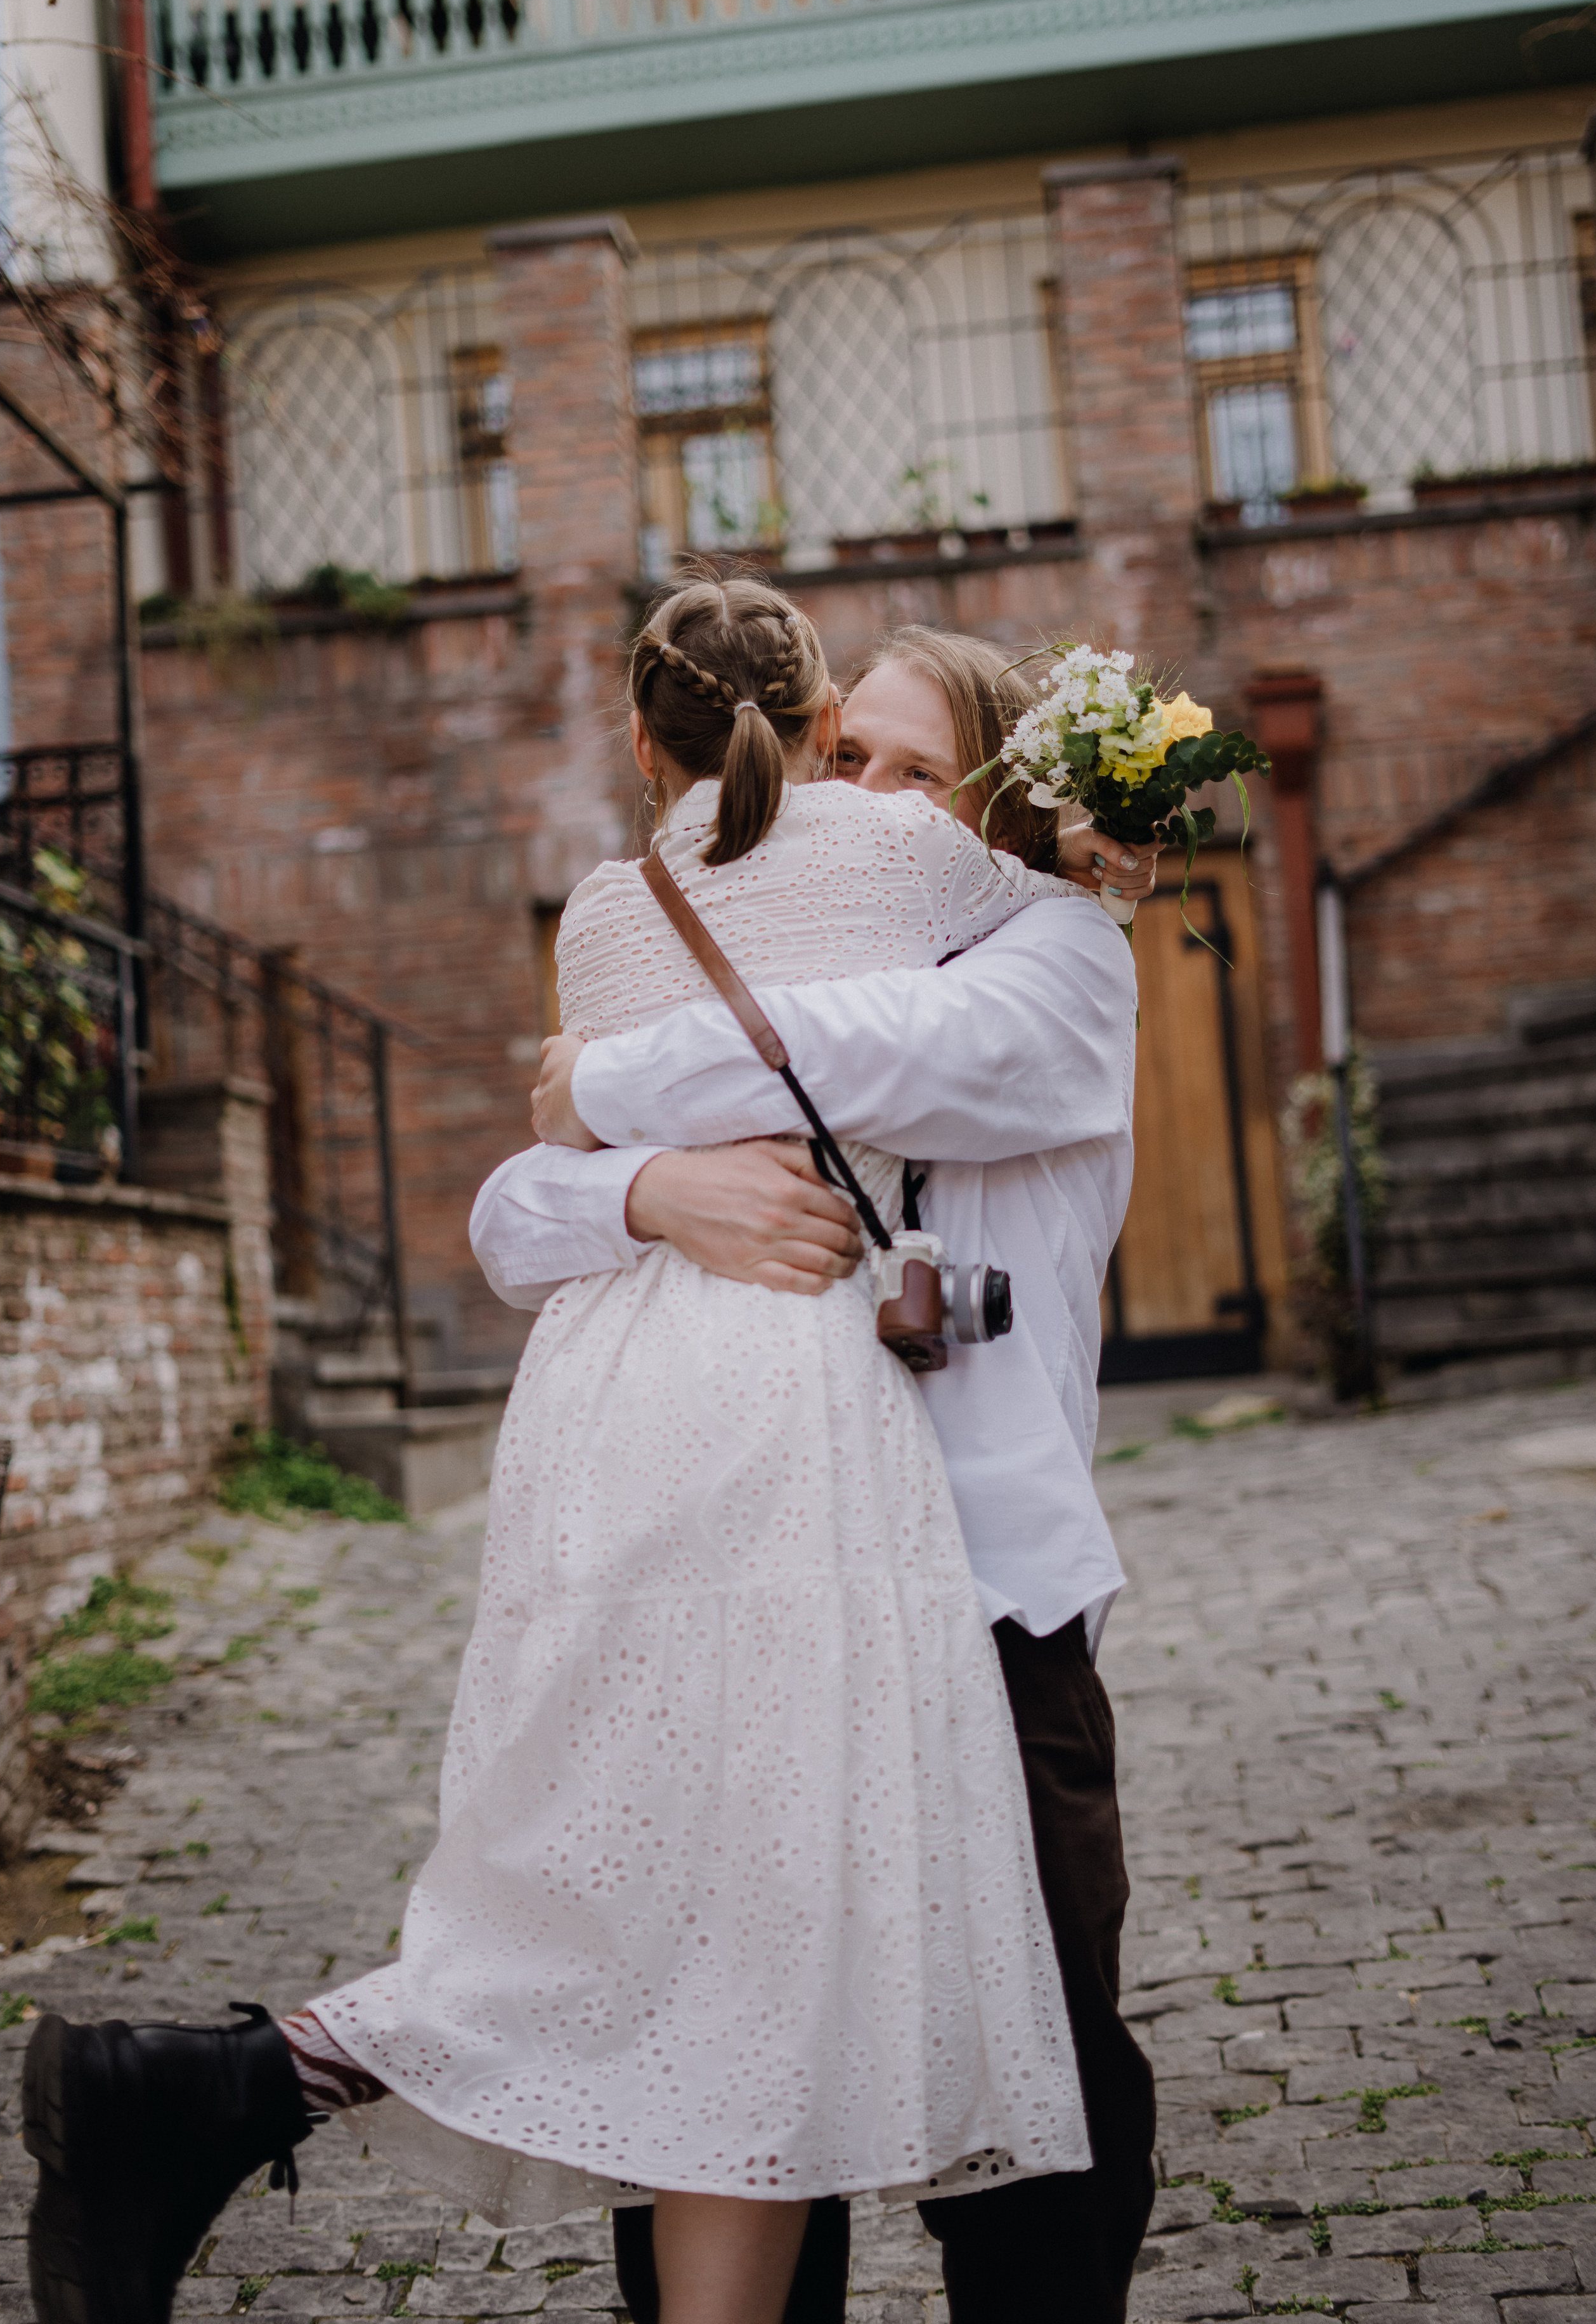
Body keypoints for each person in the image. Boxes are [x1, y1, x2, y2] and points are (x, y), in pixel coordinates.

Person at [23, 589, 1098, 2324]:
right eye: (861, 753)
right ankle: (235, 2078)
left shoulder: (601, 911)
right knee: (762, 1900)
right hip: (785, 1391)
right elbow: (1064, 878)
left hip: (603, 1393)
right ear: (820, 725)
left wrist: (605, 1096)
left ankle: (238, 2086)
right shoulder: (918, 869)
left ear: (633, 737)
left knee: (653, 1877)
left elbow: (565, 1139)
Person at [474, 624, 1161, 2324]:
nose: (849, 808)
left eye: (907, 777)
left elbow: (888, 1057)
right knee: (727, 2087)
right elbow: (504, 1223)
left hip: (990, 1607)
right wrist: (649, 1195)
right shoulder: (774, 984)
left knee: (1047, 2108)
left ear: (991, 809)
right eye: (844, 764)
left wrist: (597, 1086)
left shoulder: (1059, 965)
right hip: (763, 1597)